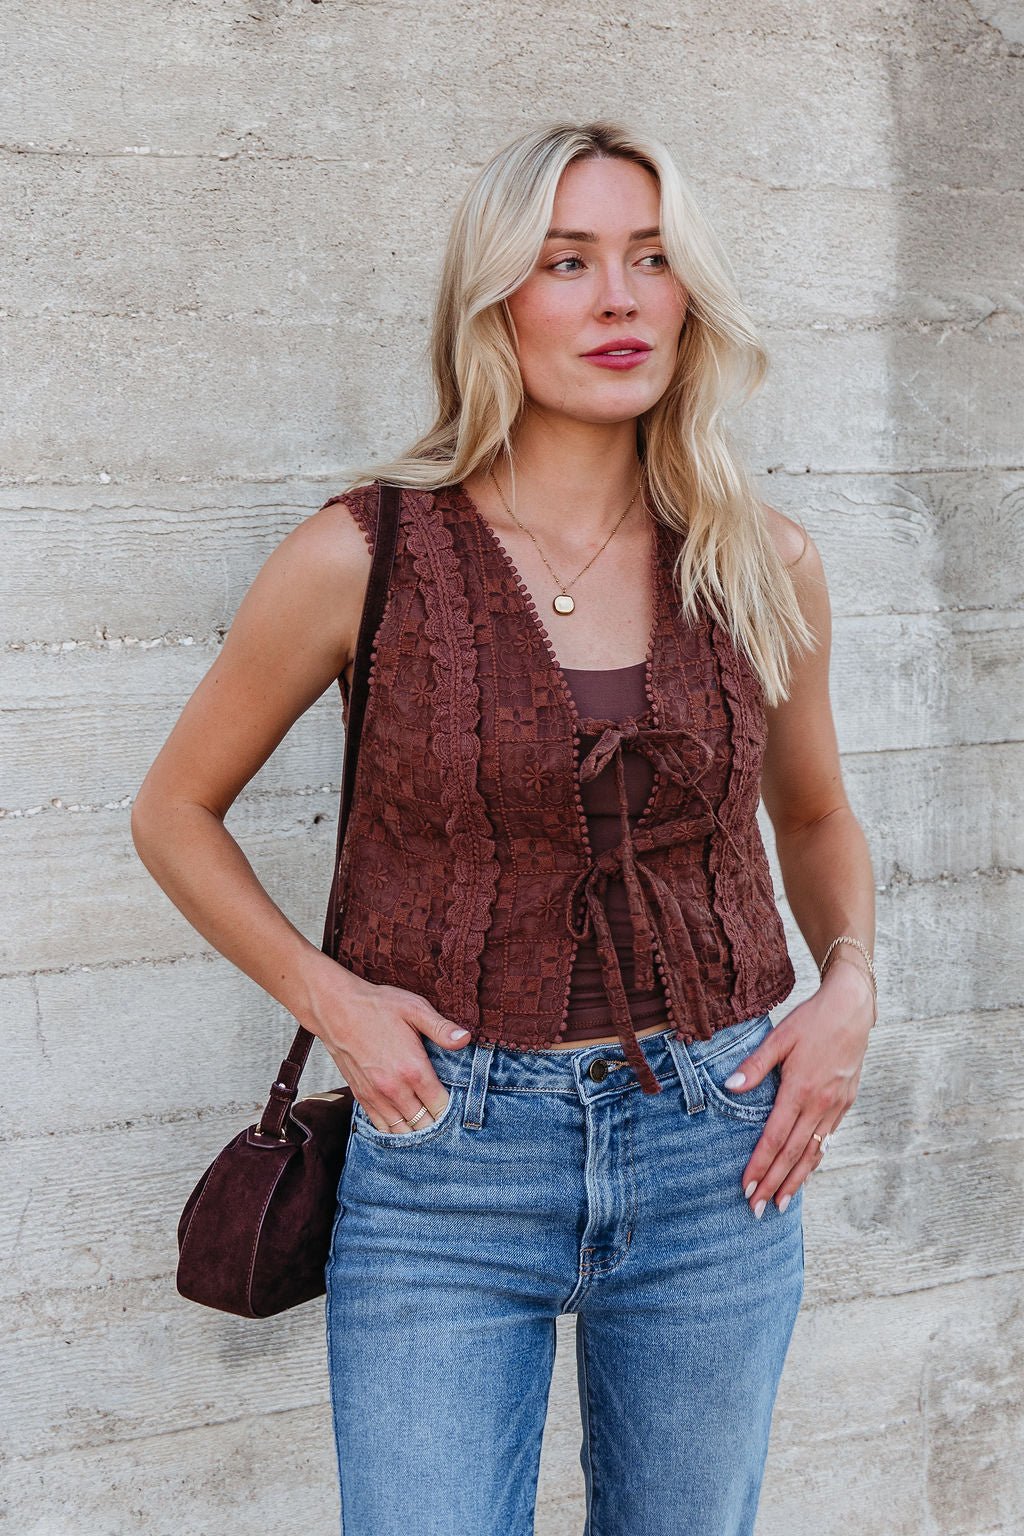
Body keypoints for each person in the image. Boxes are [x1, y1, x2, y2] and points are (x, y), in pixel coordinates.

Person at [132, 119, 877, 1536]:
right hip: (446, 1155)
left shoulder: (761, 560)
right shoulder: (366, 554)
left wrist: (850, 987)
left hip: (717, 1148)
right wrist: (333, 1002)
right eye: (567, 261)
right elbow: (174, 812)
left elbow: (818, 813)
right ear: (495, 303)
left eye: (651, 258)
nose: (620, 299)